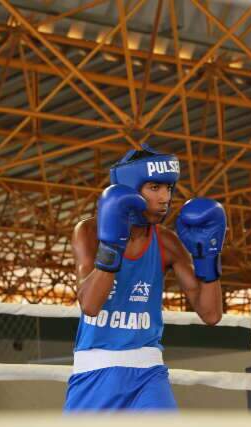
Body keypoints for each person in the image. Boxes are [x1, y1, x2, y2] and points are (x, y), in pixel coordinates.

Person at [64, 144, 226, 412]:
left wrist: (208, 257)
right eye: (154, 188)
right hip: (94, 371)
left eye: (169, 188)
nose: (165, 197)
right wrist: (112, 245)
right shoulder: (89, 232)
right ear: (129, 189)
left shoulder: (166, 242)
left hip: (149, 372)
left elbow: (211, 314)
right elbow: (90, 305)